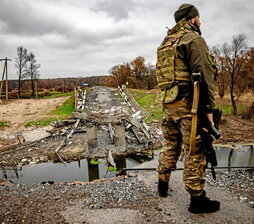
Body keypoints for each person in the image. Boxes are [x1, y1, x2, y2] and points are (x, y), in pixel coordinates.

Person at [156, 4, 220, 213]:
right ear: (192, 19)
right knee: (194, 150)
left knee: (171, 145)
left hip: (169, 105)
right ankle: (197, 200)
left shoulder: (166, 43)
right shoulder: (193, 39)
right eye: (199, 18)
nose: (201, 22)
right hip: (188, 107)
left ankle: (162, 185)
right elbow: (205, 74)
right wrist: (209, 108)